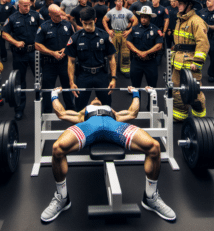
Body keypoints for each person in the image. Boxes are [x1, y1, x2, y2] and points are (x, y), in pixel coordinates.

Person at [40, 86, 176, 223]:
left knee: (154, 147)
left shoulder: (113, 112)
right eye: (93, 98)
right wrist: (54, 95)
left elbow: (132, 113)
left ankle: (151, 197)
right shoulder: (83, 113)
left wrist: (135, 92)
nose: (96, 97)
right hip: (89, 127)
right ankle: (62, 198)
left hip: (114, 126)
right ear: (90, 104)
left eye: (98, 97)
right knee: (57, 148)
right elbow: (61, 113)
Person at [65, 7, 116, 111]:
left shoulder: (104, 36)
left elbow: (111, 58)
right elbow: (71, 61)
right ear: (80, 21)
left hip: (101, 75)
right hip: (83, 75)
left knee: (107, 107)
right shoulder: (75, 38)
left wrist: (114, 78)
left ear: (95, 20)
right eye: (85, 23)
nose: (87, 27)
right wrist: (71, 81)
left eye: (90, 23)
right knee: (79, 107)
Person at [2, 0, 44, 120]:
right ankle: (19, 109)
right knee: (20, 82)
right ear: (18, 5)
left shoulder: (36, 15)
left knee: (39, 80)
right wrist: (15, 42)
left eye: (29, 5)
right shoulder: (12, 18)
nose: (27, 7)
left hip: (34, 52)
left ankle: (40, 108)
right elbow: (4, 33)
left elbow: (44, 28)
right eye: (25, 5)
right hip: (19, 53)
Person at [171, 0, 209, 122]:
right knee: (177, 90)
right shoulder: (180, 19)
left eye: (181, 3)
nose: (178, 5)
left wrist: (198, 62)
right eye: (178, 2)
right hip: (178, 62)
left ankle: (200, 118)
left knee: (194, 93)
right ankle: (180, 116)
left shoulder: (196, 21)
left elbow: (203, 43)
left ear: (189, 4)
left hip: (191, 64)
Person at [35, 4, 75, 113]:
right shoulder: (44, 27)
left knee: (68, 88)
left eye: (61, 15)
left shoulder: (67, 24)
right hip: (49, 64)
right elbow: (37, 45)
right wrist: (52, 53)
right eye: (57, 16)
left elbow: (73, 40)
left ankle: (71, 111)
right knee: (47, 90)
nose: (60, 17)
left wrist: (66, 48)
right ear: (50, 15)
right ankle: (47, 112)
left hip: (64, 63)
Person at [126, 6, 163, 110]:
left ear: (150, 18)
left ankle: (151, 107)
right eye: (142, 17)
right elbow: (128, 42)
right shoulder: (134, 29)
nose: (143, 19)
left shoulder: (156, 30)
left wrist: (146, 52)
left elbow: (159, 45)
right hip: (136, 62)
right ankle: (135, 108)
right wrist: (138, 52)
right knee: (135, 87)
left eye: (146, 17)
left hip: (150, 62)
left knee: (151, 87)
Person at [102, 0, 138, 78]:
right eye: (118, 1)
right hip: (114, 33)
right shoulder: (111, 12)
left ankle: (125, 70)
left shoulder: (127, 12)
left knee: (125, 52)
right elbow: (104, 20)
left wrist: (129, 31)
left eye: (121, 1)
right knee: (113, 53)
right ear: (115, 2)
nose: (120, 3)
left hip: (124, 34)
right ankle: (112, 71)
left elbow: (135, 20)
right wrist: (108, 30)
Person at [150, 0, 169, 66]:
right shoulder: (149, 8)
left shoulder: (163, 9)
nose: (153, 0)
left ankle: (158, 60)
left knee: (160, 46)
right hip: (151, 30)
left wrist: (164, 31)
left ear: (158, 0)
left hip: (159, 30)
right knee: (150, 45)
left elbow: (166, 20)